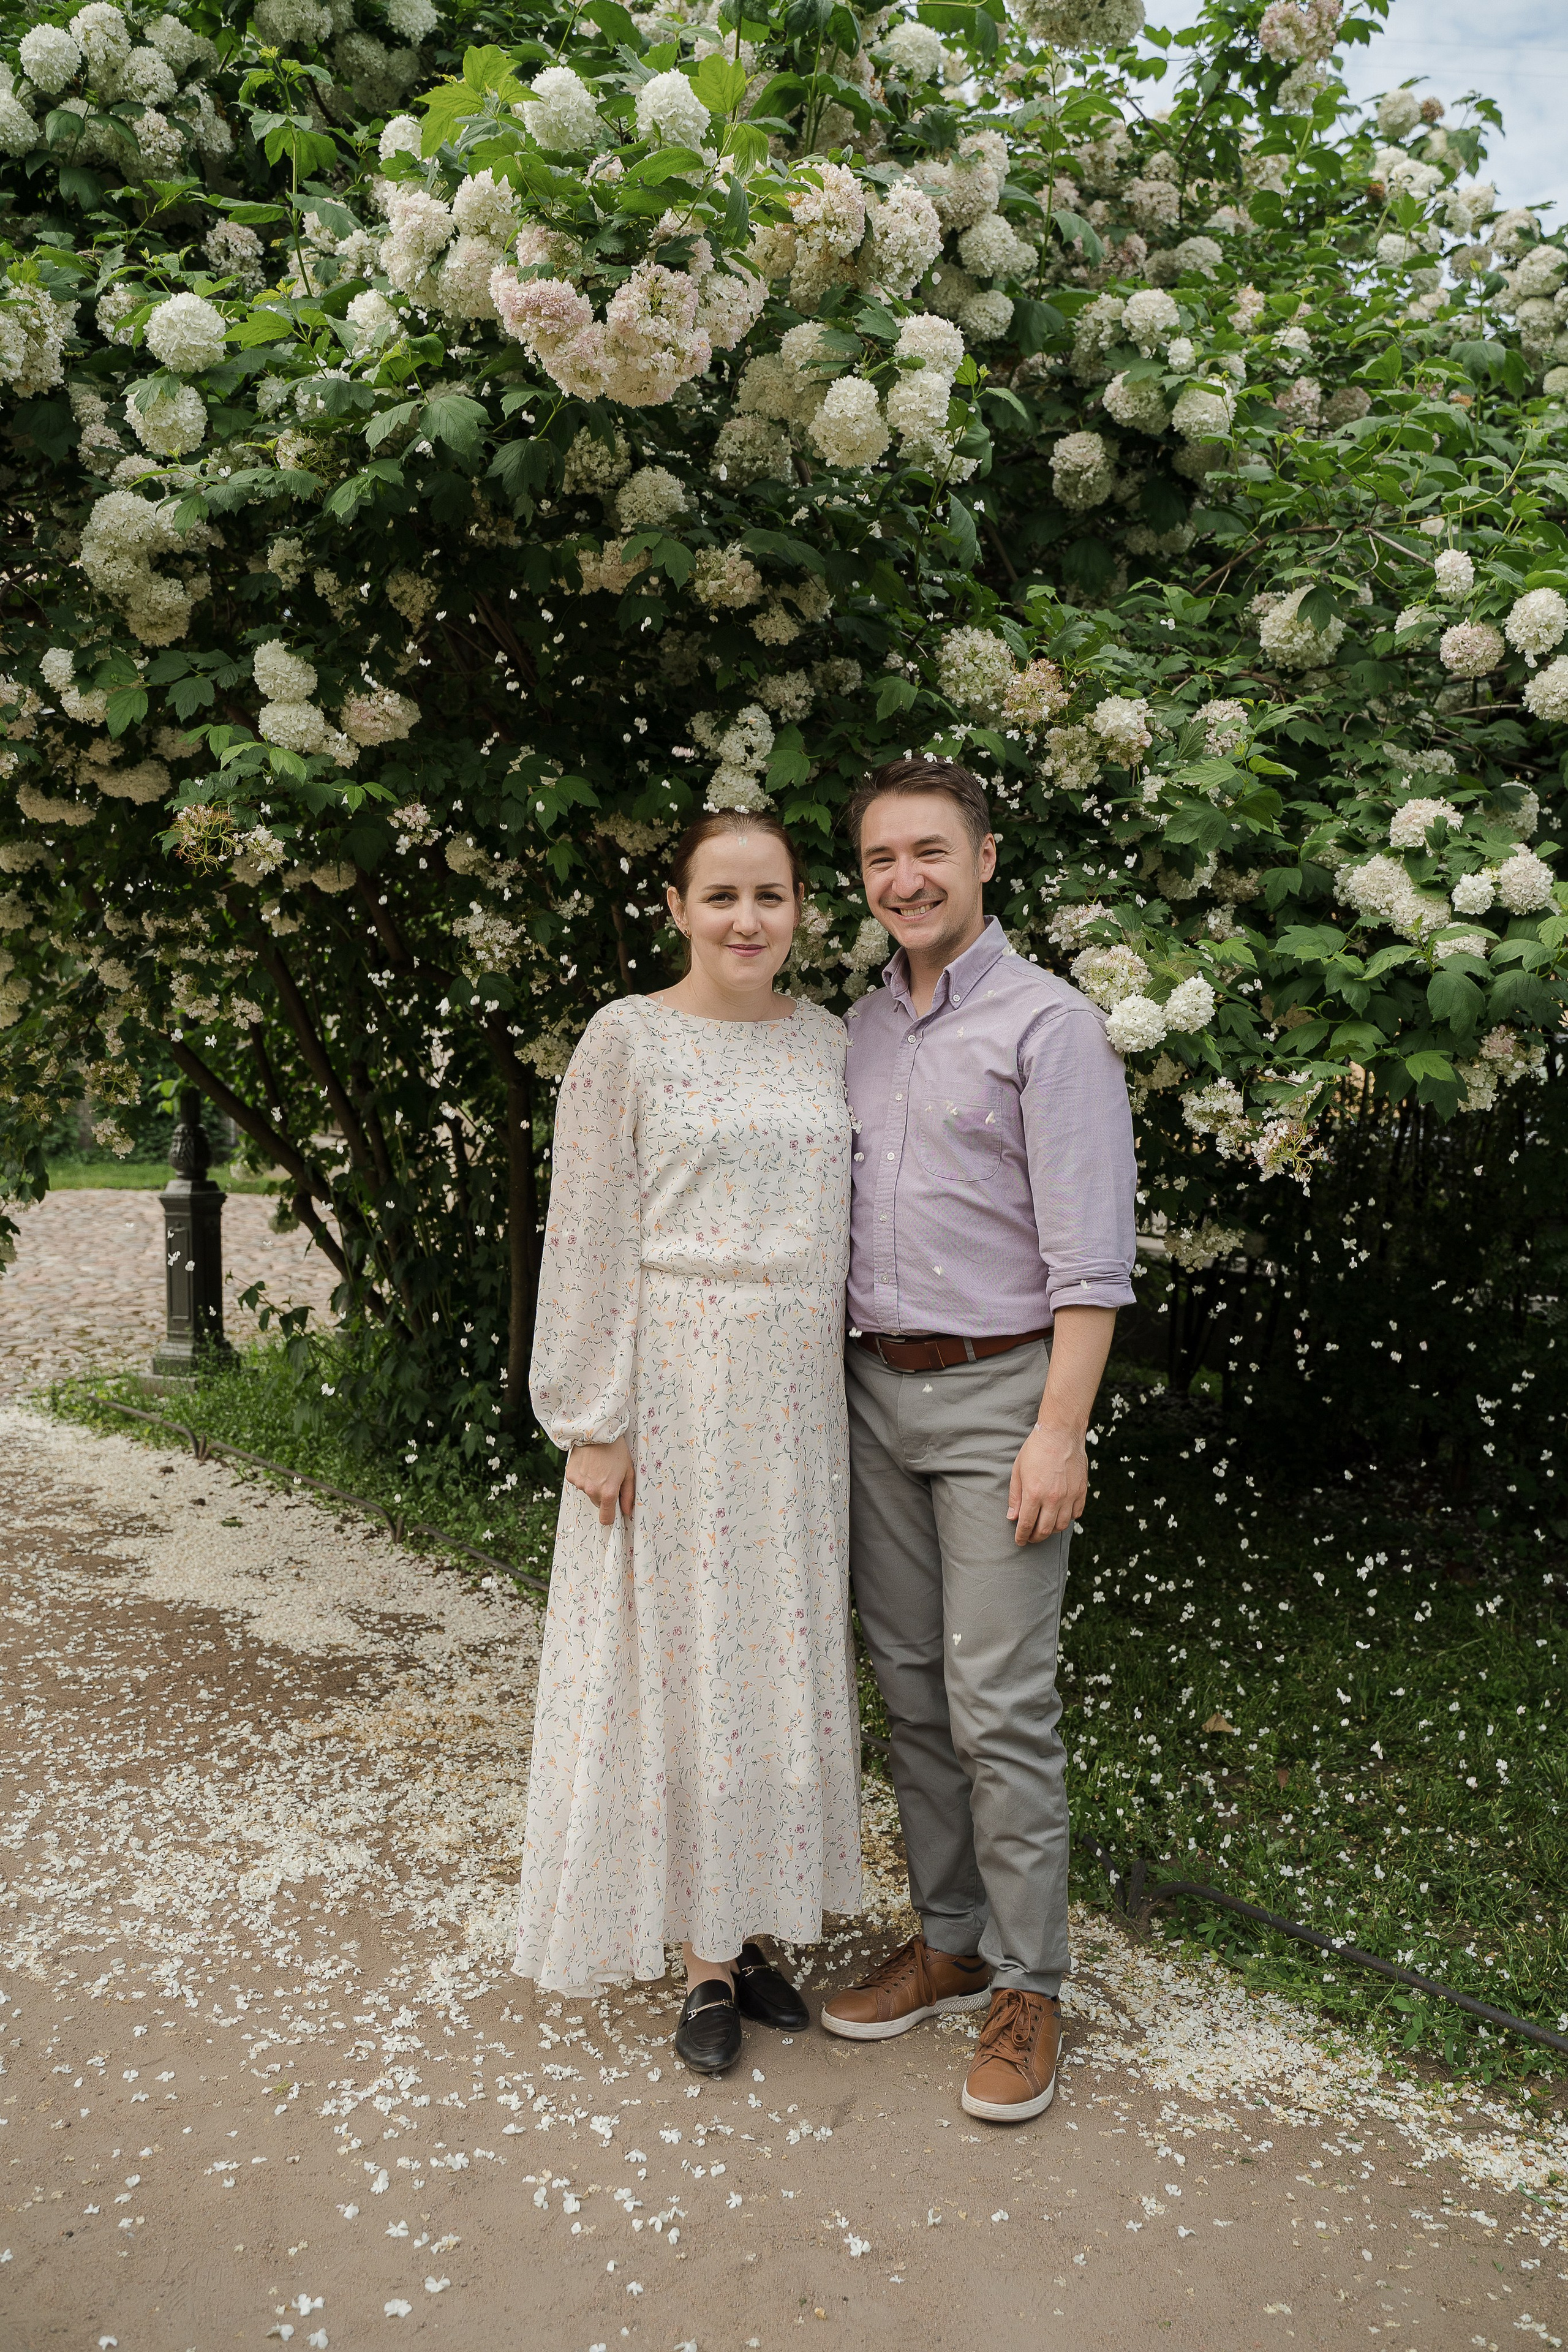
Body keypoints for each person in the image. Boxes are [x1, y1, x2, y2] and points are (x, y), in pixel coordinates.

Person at [515, 810, 861, 2076]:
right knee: (684, 1655)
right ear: (674, 905)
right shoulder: (628, 1039)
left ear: (799, 905)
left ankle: (756, 1923)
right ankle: (700, 1961)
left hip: (792, 1396)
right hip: (673, 1382)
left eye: (767, 895)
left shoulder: (827, 1040)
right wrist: (592, 1418)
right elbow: (589, 1228)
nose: (744, 920)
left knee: (772, 1649)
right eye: (719, 895)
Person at [820, 755, 1137, 2124]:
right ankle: (947, 1940)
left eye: (930, 852)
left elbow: (1090, 1264)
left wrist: (1057, 1431)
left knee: (998, 1700)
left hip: (1002, 1394)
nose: (907, 878)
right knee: (905, 1682)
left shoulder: (1048, 1027)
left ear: (984, 859)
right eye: (883, 858)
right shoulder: (859, 1027)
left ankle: (1028, 1982)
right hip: (869, 1394)